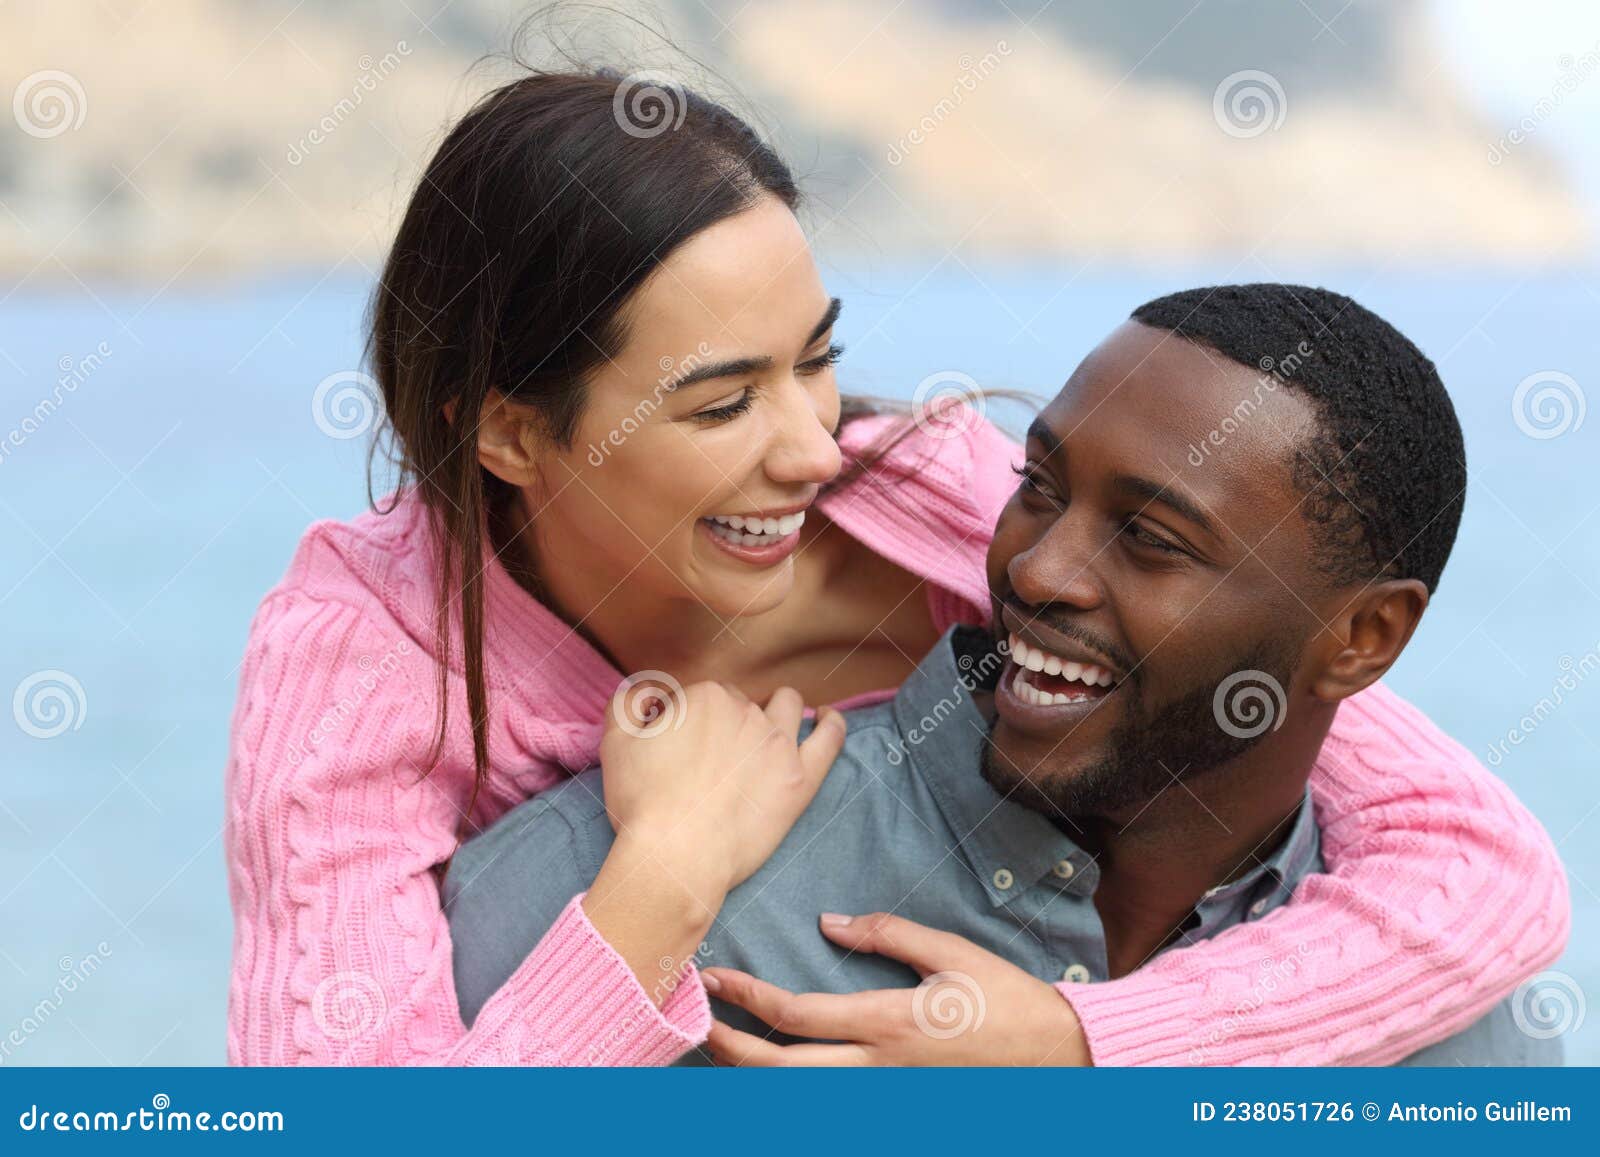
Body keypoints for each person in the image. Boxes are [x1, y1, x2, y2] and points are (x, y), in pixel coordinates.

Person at [223, 67, 1566, 1067]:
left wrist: (1077, 1045)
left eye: (816, 357)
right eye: (719, 402)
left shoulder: (928, 491)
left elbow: (1479, 869)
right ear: (516, 433)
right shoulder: (365, 659)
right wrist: (669, 873)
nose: (816, 445)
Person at [443, 286, 1567, 1066]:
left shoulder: (1453, 1019)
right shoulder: (629, 876)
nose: (1036, 567)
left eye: (1152, 538)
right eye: (1038, 485)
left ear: (1362, 637)